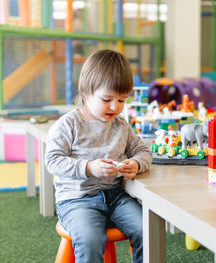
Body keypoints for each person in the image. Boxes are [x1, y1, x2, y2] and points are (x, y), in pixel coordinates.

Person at [45, 49, 152, 263]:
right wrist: (89, 167)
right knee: (91, 239)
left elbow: (143, 151)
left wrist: (136, 164)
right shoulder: (68, 124)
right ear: (86, 92)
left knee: (146, 230)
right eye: (107, 99)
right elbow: (53, 161)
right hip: (77, 200)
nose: (115, 106)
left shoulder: (121, 126)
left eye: (122, 100)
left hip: (115, 196)